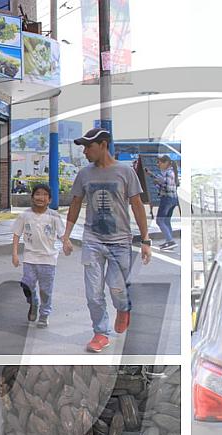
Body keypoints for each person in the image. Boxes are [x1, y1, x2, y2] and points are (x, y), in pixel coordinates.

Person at [63, 127, 153, 354]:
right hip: (92, 239)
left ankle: (123, 309)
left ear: (103, 145)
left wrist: (145, 239)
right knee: (93, 292)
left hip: (120, 241)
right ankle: (101, 333)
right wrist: (66, 234)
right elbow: (75, 203)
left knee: (116, 288)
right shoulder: (84, 174)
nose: (84, 152)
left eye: (88, 146)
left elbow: (137, 206)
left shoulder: (125, 172)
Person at [12, 183, 68, 328]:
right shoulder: (25, 215)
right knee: (27, 285)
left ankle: (44, 314)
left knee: (45, 290)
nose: (40, 197)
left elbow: (62, 234)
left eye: (44, 195)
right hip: (30, 258)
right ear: (32, 197)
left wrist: (66, 243)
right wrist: (15, 254)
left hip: (48, 260)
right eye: (37, 194)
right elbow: (17, 234)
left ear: (49, 199)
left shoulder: (54, 216)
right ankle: (34, 303)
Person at [153, 155, 178, 251]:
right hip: (173, 199)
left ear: (165, 163)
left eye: (159, 162)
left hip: (167, 199)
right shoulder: (172, 172)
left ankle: (170, 241)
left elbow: (166, 187)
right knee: (166, 221)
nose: (158, 164)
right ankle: (169, 241)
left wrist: (158, 184)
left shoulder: (168, 173)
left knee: (159, 220)